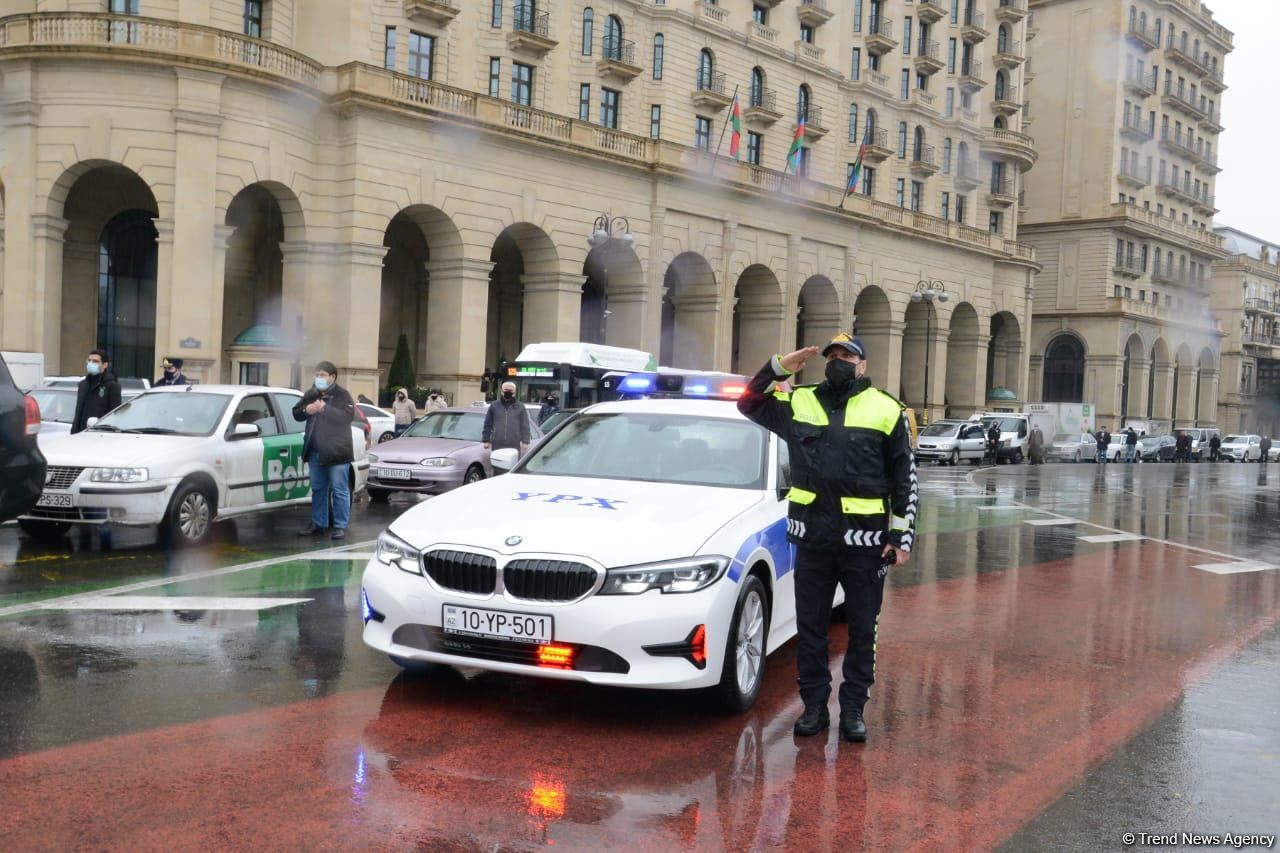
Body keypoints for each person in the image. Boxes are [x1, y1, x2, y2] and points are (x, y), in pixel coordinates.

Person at [738, 333, 917, 744]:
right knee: (811, 630)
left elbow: (904, 478)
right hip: (813, 541)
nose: (839, 361)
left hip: (867, 545)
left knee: (861, 630)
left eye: (848, 357)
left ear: (863, 366)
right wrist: (781, 367)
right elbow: (749, 400)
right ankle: (815, 707)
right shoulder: (799, 402)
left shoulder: (886, 408)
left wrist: (901, 537)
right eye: (833, 356)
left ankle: (853, 709)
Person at [293, 361, 356, 540]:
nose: (318, 378)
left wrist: (325, 409)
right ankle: (318, 523)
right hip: (315, 450)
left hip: (337, 452)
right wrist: (307, 409)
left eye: (322, 375)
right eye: (317, 374)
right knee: (318, 488)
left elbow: (347, 417)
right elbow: (296, 412)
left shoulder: (342, 395)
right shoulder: (311, 393)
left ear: (332, 377)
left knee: (339, 489)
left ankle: (339, 526)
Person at [72, 349, 123, 434]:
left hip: (100, 434)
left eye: (95, 361)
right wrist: (74, 429)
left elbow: (115, 413)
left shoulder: (112, 385)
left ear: (105, 364)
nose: (91, 363)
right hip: (80, 433)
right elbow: (78, 410)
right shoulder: (83, 384)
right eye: (89, 360)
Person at [482, 381, 530, 455]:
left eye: (510, 391)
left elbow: (525, 425)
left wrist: (525, 441)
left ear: (514, 392)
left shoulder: (520, 407)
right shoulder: (494, 405)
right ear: (501, 391)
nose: (508, 392)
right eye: (505, 390)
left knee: (513, 465)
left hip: (514, 443)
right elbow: (488, 424)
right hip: (497, 443)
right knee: (497, 464)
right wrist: (486, 440)